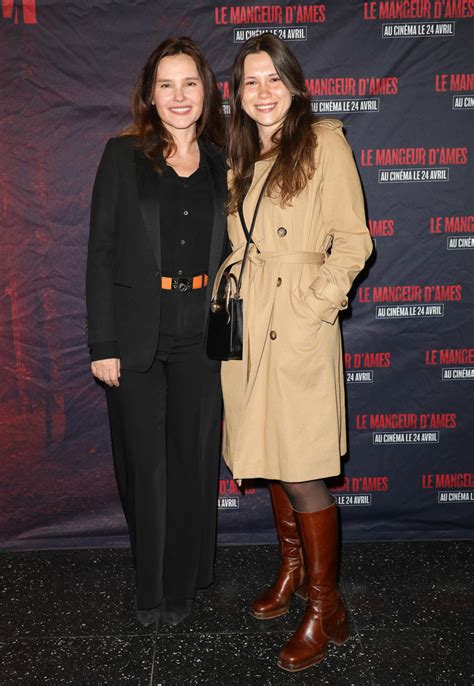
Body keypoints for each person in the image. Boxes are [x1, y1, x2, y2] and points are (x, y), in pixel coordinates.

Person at [213, 33, 373, 671]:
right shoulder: (243, 151)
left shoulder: (323, 141)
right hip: (250, 322)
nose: (262, 92)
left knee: (302, 465)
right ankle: (290, 570)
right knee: (272, 454)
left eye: (272, 78)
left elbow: (354, 240)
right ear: (238, 94)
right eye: (250, 82)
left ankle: (324, 602)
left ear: (293, 82)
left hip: (299, 322)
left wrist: (315, 304)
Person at [86, 37, 227, 626]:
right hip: (140, 333)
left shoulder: (225, 160)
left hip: (202, 331)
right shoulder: (123, 157)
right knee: (148, 467)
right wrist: (104, 344)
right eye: (165, 84)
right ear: (149, 93)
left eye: (188, 83)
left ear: (206, 91)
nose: (178, 96)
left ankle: (185, 585)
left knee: (193, 462)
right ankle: (151, 589)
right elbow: (101, 254)